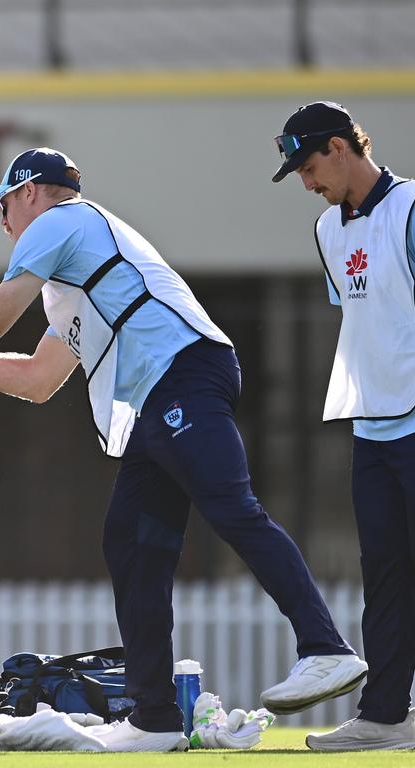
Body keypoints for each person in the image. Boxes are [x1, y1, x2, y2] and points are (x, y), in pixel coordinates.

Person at [0, 146, 368, 752]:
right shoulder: (74, 271)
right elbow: (38, 381)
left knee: (230, 509)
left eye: (5, 204)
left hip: (185, 373)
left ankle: (325, 648)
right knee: (131, 545)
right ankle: (155, 717)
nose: (4, 220)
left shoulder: (63, 221)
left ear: (32, 191)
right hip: (158, 399)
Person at [271, 101, 415, 752]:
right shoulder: (329, 230)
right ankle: (386, 716)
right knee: (384, 576)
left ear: (339, 147)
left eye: (307, 167)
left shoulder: (411, 210)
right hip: (372, 431)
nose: (305, 183)